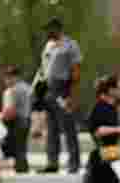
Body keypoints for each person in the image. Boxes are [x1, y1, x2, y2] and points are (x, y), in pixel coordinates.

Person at [37, 17, 82, 174]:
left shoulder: (70, 45)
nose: (47, 32)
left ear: (57, 28)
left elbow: (76, 72)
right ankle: (52, 162)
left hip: (63, 89)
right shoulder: (48, 45)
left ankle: (74, 163)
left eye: (49, 29)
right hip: (49, 89)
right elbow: (43, 68)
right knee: (51, 128)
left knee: (68, 126)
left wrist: (72, 95)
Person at [0, 65, 32, 174]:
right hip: (26, 119)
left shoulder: (14, 90)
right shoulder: (27, 88)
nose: (6, 80)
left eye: (8, 77)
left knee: (17, 145)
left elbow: (11, 109)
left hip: (17, 120)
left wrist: (1, 117)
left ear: (14, 77)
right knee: (22, 145)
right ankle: (23, 166)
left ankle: (20, 167)